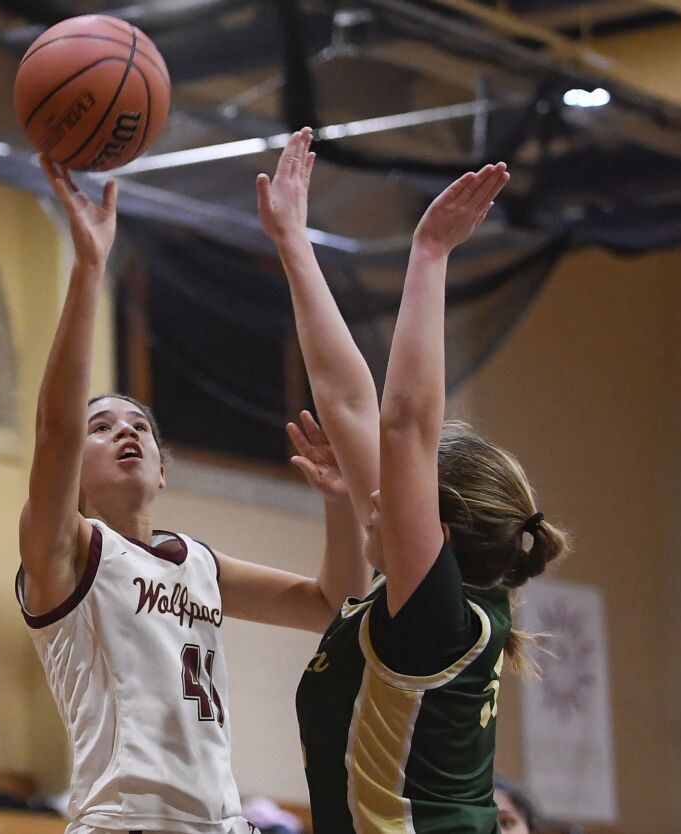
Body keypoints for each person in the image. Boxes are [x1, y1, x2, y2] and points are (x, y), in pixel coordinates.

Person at [18, 157, 370, 834]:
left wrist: (338, 502)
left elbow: (335, 606)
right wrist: (89, 267)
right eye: (102, 427)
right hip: (125, 821)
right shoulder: (65, 552)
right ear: (73, 472)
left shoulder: (198, 564)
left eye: (139, 427)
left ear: (161, 472)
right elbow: (54, 431)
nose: (125, 432)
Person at [257, 128, 570, 834]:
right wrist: (292, 243)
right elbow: (349, 405)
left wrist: (430, 254)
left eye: (394, 496)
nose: (374, 497)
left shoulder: (434, 616)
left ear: (439, 532)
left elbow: (403, 424)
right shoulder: (425, 603)